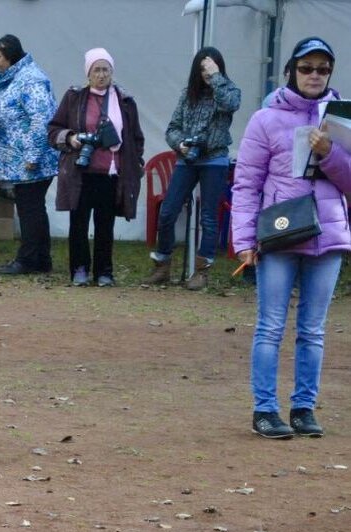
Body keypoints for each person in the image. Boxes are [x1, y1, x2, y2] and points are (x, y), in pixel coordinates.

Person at [231, 37, 351, 439]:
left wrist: (331, 151)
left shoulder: (342, 119)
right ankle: (265, 409)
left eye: (322, 69)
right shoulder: (265, 119)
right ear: (291, 71)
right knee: (270, 326)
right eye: (307, 68)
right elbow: (246, 184)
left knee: (313, 329)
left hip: (329, 234)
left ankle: (303, 407)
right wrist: (245, 241)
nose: (314, 75)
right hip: (280, 235)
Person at [48, 47, 144, 287]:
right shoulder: (74, 97)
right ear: (88, 73)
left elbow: (135, 138)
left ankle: (104, 271)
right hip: (80, 171)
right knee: (78, 223)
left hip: (111, 173)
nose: (101, 75)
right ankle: (79, 269)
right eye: (97, 70)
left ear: (112, 72)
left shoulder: (125, 101)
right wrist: (70, 138)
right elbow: (53, 129)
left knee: (105, 224)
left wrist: (134, 161)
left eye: (106, 70)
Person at [145, 48, 240, 290]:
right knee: (168, 211)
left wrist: (217, 77)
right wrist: (181, 144)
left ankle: (202, 271)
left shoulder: (228, 90)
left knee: (209, 216)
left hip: (215, 159)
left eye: (211, 67)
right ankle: (163, 265)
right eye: (203, 69)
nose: (206, 73)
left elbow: (231, 104)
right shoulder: (188, 95)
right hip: (187, 159)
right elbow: (172, 128)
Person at [0, 34, 58, 276]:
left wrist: (33, 156)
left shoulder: (31, 80)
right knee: (33, 208)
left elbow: (40, 119)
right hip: (20, 160)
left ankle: (27, 260)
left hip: (30, 160)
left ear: (11, 56)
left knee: (29, 209)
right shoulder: (14, 78)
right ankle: (41, 259)